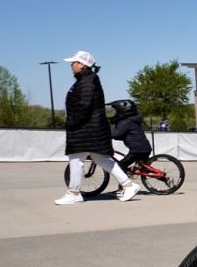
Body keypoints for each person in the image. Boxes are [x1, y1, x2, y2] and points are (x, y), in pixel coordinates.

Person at [54, 51, 141, 205]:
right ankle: (128, 185)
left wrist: (71, 122)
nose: (71, 65)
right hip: (90, 128)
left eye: (73, 62)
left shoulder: (87, 82)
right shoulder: (86, 80)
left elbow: (84, 106)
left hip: (86, 128)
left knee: (76, 158)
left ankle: (74, 193)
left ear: (82, 65)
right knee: (100, 158)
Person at [109, 99, 152, 182]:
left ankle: (125, 186)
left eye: (116, 111)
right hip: (144, 148)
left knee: (121, 166)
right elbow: (121, 135)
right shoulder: (133, 120)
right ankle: (165, 178)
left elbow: (115, 134)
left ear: (122, 111)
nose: (115, 114)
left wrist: (104, 133)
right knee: (144, 169)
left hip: (137, 150)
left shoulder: (125, 122)